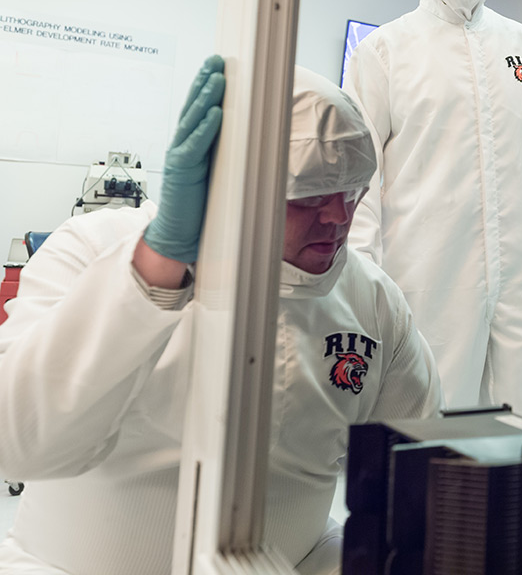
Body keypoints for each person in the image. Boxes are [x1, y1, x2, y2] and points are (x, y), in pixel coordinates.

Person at [0, 57, 442, 574]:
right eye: (312, 196)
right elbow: (17, 442)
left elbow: (421, 463)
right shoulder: (95, 248)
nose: (339, 217)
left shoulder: (372, 300)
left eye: (353, 192)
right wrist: (155, 273)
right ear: (232, 185)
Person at [343, 0, 522, 427]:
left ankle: (520, 513)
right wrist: (361, 269)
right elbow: (360, 171)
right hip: (426, 271)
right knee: (428, 417)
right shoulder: (386, 50)